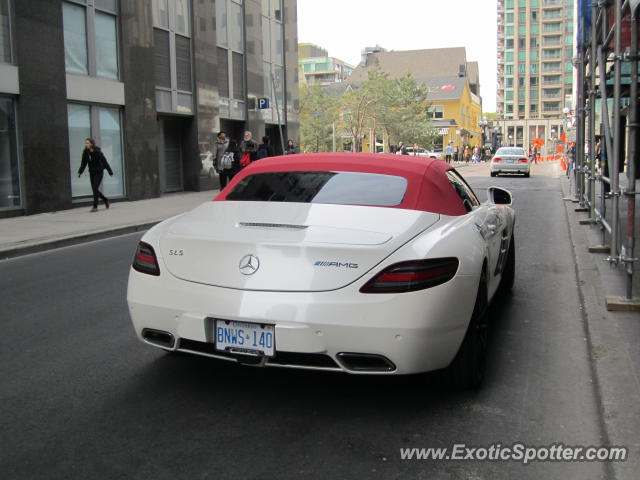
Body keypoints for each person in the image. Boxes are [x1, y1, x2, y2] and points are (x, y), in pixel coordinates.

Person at [77, 138, 113, 212]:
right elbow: (83, 163)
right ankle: (105, 199)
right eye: (85, 143)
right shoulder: (85, 152)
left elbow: (104, 161)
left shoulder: (98, 152)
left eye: (87, 143)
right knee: (95, 189)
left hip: (99, 172)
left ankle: (95, 207)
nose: (86, 144)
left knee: (95, 188)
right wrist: (80, 172)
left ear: (91, 144)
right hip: (92, 173)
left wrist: (110, 172)